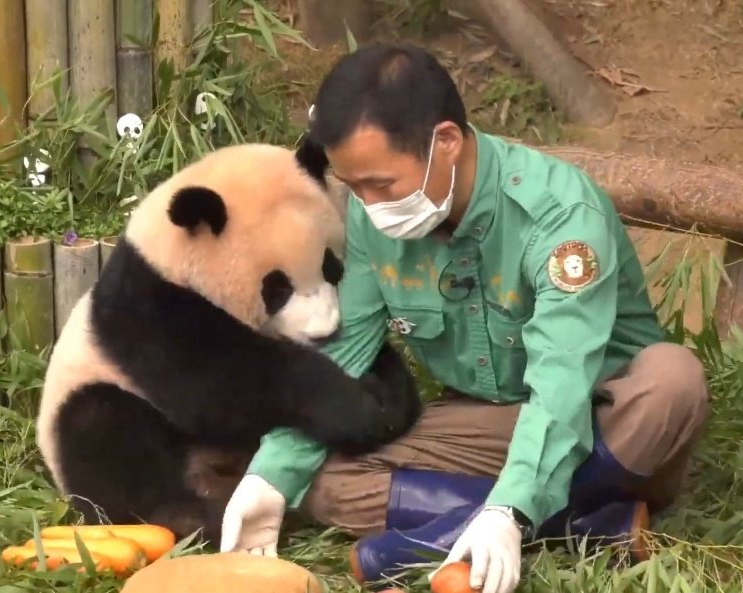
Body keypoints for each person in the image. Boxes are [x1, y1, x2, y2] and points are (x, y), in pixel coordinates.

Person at [218, 42, 710, 593]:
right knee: (322, 480)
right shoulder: (369, 215)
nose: (369, 205)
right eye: (352, 187)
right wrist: (271, 472)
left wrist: (512, 507)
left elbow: (562, 380)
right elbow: (344, 347)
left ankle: (507, 519)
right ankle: (587, 524)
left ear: (445, 142)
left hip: (604, 419)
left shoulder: (558, 215)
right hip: (490, 423)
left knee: (673, 381)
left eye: (382, 185)